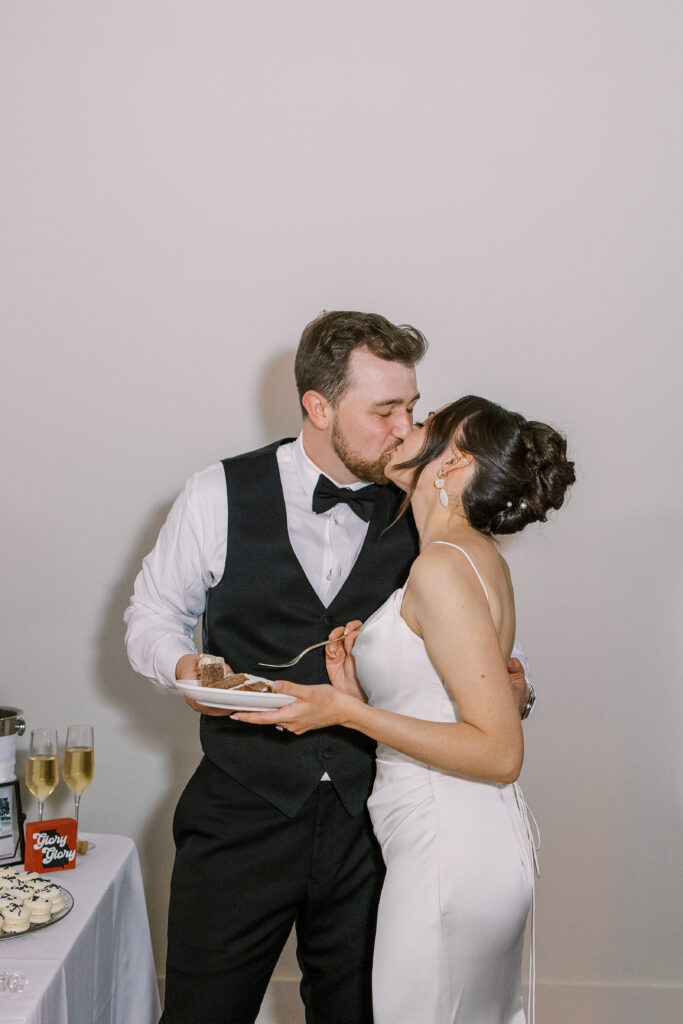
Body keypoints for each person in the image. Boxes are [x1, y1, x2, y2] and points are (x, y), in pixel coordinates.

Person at [124, 313, 532, 1024]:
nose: (407, 428)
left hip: (374, 826)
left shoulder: (429, 503)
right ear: (318, 406)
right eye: (385, 411)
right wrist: (186, 664)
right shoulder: (216, 493)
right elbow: (149, 617)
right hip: (240, 814)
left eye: (410, 406)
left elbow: (475, 662)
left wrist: (513, 692)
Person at [233, 396, 575, 1024]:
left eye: (423, 425)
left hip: (449, 850)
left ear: (452, 462)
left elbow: (500, 752)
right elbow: (445, 710)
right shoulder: (471, 558)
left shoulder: (441, 568)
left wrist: (344, 712)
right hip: (460, 842)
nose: (403, 431)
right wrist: (361, 690)